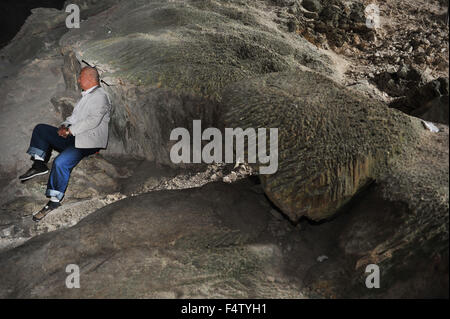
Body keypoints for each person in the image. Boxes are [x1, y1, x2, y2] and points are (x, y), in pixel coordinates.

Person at [19, 66, 111, 221]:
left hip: (88, 142)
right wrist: (64, 126)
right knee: (41, 129)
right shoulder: (86, 96)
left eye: (80, 76)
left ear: (89, 78)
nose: (78, 79)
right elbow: (73, 118)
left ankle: (54, 202)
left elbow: (93, 121)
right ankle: (39, 164)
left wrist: (70, 131)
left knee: (61, 162)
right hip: (74, 136)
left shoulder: (100, 96)